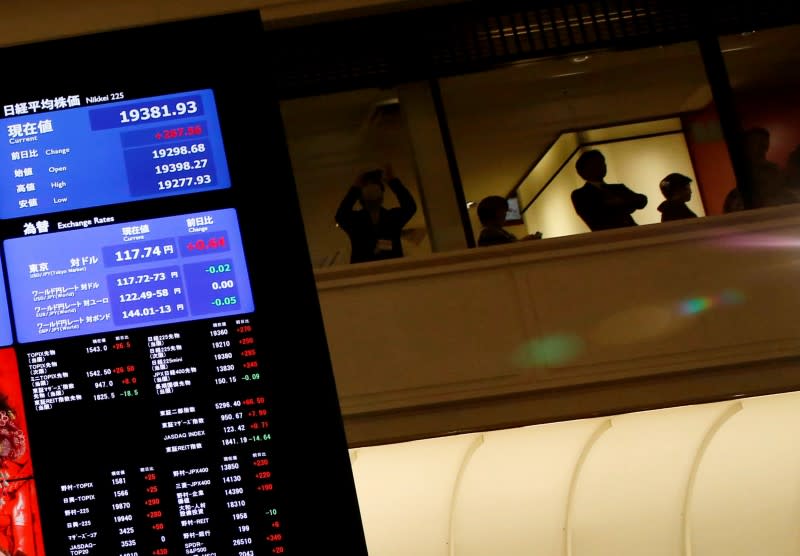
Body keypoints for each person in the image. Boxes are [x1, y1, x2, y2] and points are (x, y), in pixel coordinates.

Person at [335, 164, 417, 264]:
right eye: (367, 186)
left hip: (392, 271)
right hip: (364, 274)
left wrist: (393, 181)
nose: (371, 189)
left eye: (374, 185)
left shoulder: (392, 218)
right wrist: (355, 187)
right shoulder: (355, 220)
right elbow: (340, 215)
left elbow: (410, 207)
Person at [570, 149, 648, 232]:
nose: (602, 166)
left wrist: (621, 202)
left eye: (602, 162)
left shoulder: (618, 188)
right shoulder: (580, 195)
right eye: (596, 164)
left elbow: (642, 200)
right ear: (584, 170)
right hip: (608, 237)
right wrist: (623, 204)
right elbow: (595, 216)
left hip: (632, 232)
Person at [723, 127, 797, 212]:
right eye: (756, 143)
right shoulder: (735, 198)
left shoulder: (774, 172)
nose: (762, 148)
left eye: (764, 145)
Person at [476, 195, 542, 247]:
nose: (505, 214)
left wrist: (523, 241)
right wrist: (524, 242)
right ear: (496, 213)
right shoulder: (490, 234)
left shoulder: (494, 232)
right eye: (503, 211)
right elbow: (508, 251)